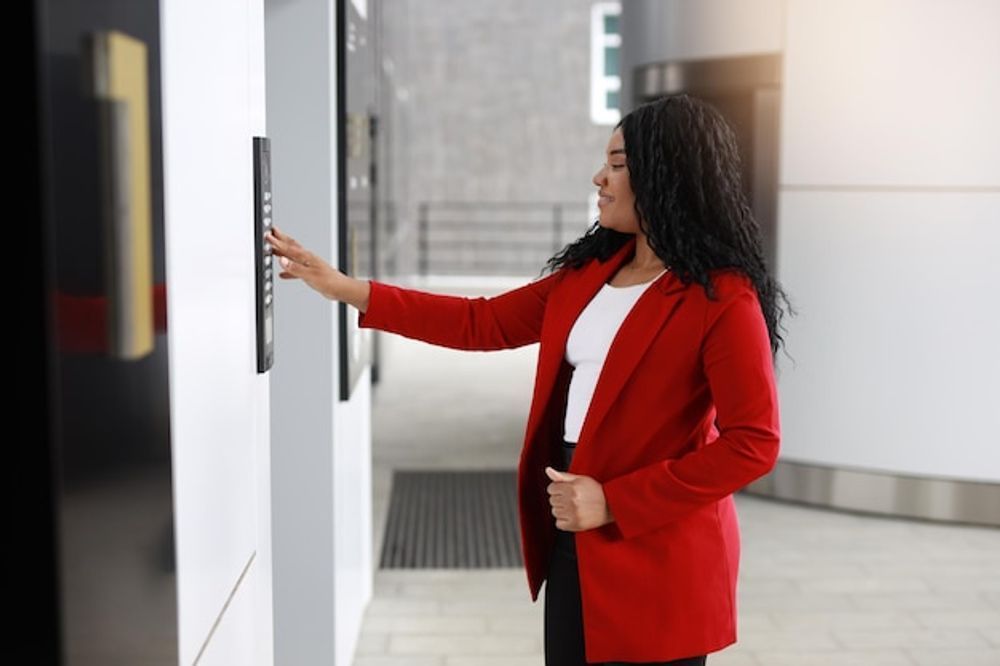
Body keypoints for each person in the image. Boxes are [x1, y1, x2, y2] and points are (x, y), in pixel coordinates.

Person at [265, 92, 795, 666]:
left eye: (618, 165)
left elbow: (754, 444)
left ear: (668, 176)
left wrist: (614, 501)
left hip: (655, 541)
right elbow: (481, 322)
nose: (600, 177)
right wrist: (346, 288)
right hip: (574, 522)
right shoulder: (590, 273)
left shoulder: (721, 297)